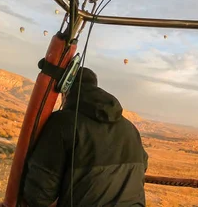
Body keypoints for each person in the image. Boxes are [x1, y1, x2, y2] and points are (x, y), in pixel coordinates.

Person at [23, 68, 148, 207]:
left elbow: (40, 195)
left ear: (65, 89)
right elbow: (142, 166)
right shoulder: (130, 128)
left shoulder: (62, 122)